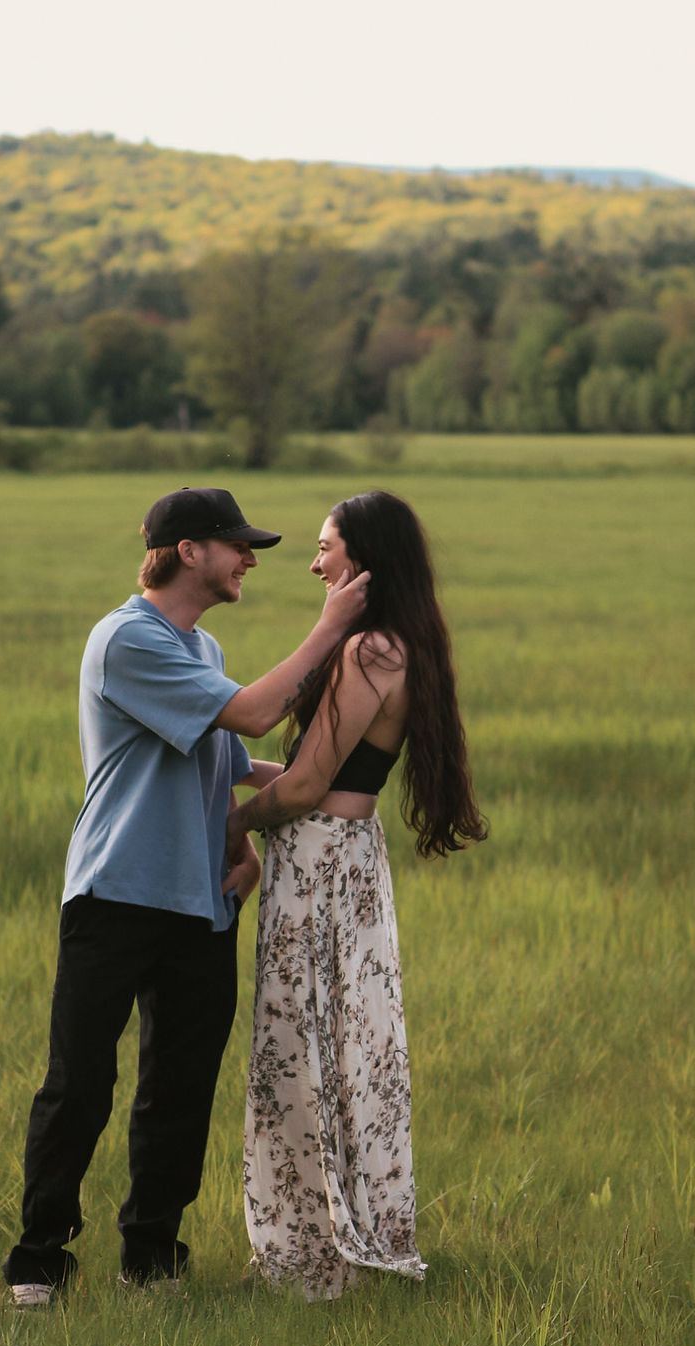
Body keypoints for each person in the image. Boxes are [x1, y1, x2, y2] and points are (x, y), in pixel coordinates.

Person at [2, 486, 369, 1308]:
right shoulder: (127, 639)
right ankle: (38, 1264)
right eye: (236, 545)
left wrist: (338, 788)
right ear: (189, 551)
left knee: (180, 1087)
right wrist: (331, 626)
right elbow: (251, 714)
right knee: (80, 1084)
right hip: (116, 893)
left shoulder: (198, 648)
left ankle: (152, 1257)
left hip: (202, 902)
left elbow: (235, 765)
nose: (249, 559)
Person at [226, 490, 487, 1301]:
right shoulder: (395, 646)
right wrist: (226, 780)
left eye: (324, 546)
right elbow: (324, 777)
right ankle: (324, 1242)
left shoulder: (371, 650)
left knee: (299, 1048)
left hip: (321, 867)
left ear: (364, 559)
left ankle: (312, 1257)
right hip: (348, 855)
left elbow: (305, 787)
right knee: (339, 1045)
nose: (313, 563)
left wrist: (224, 826)